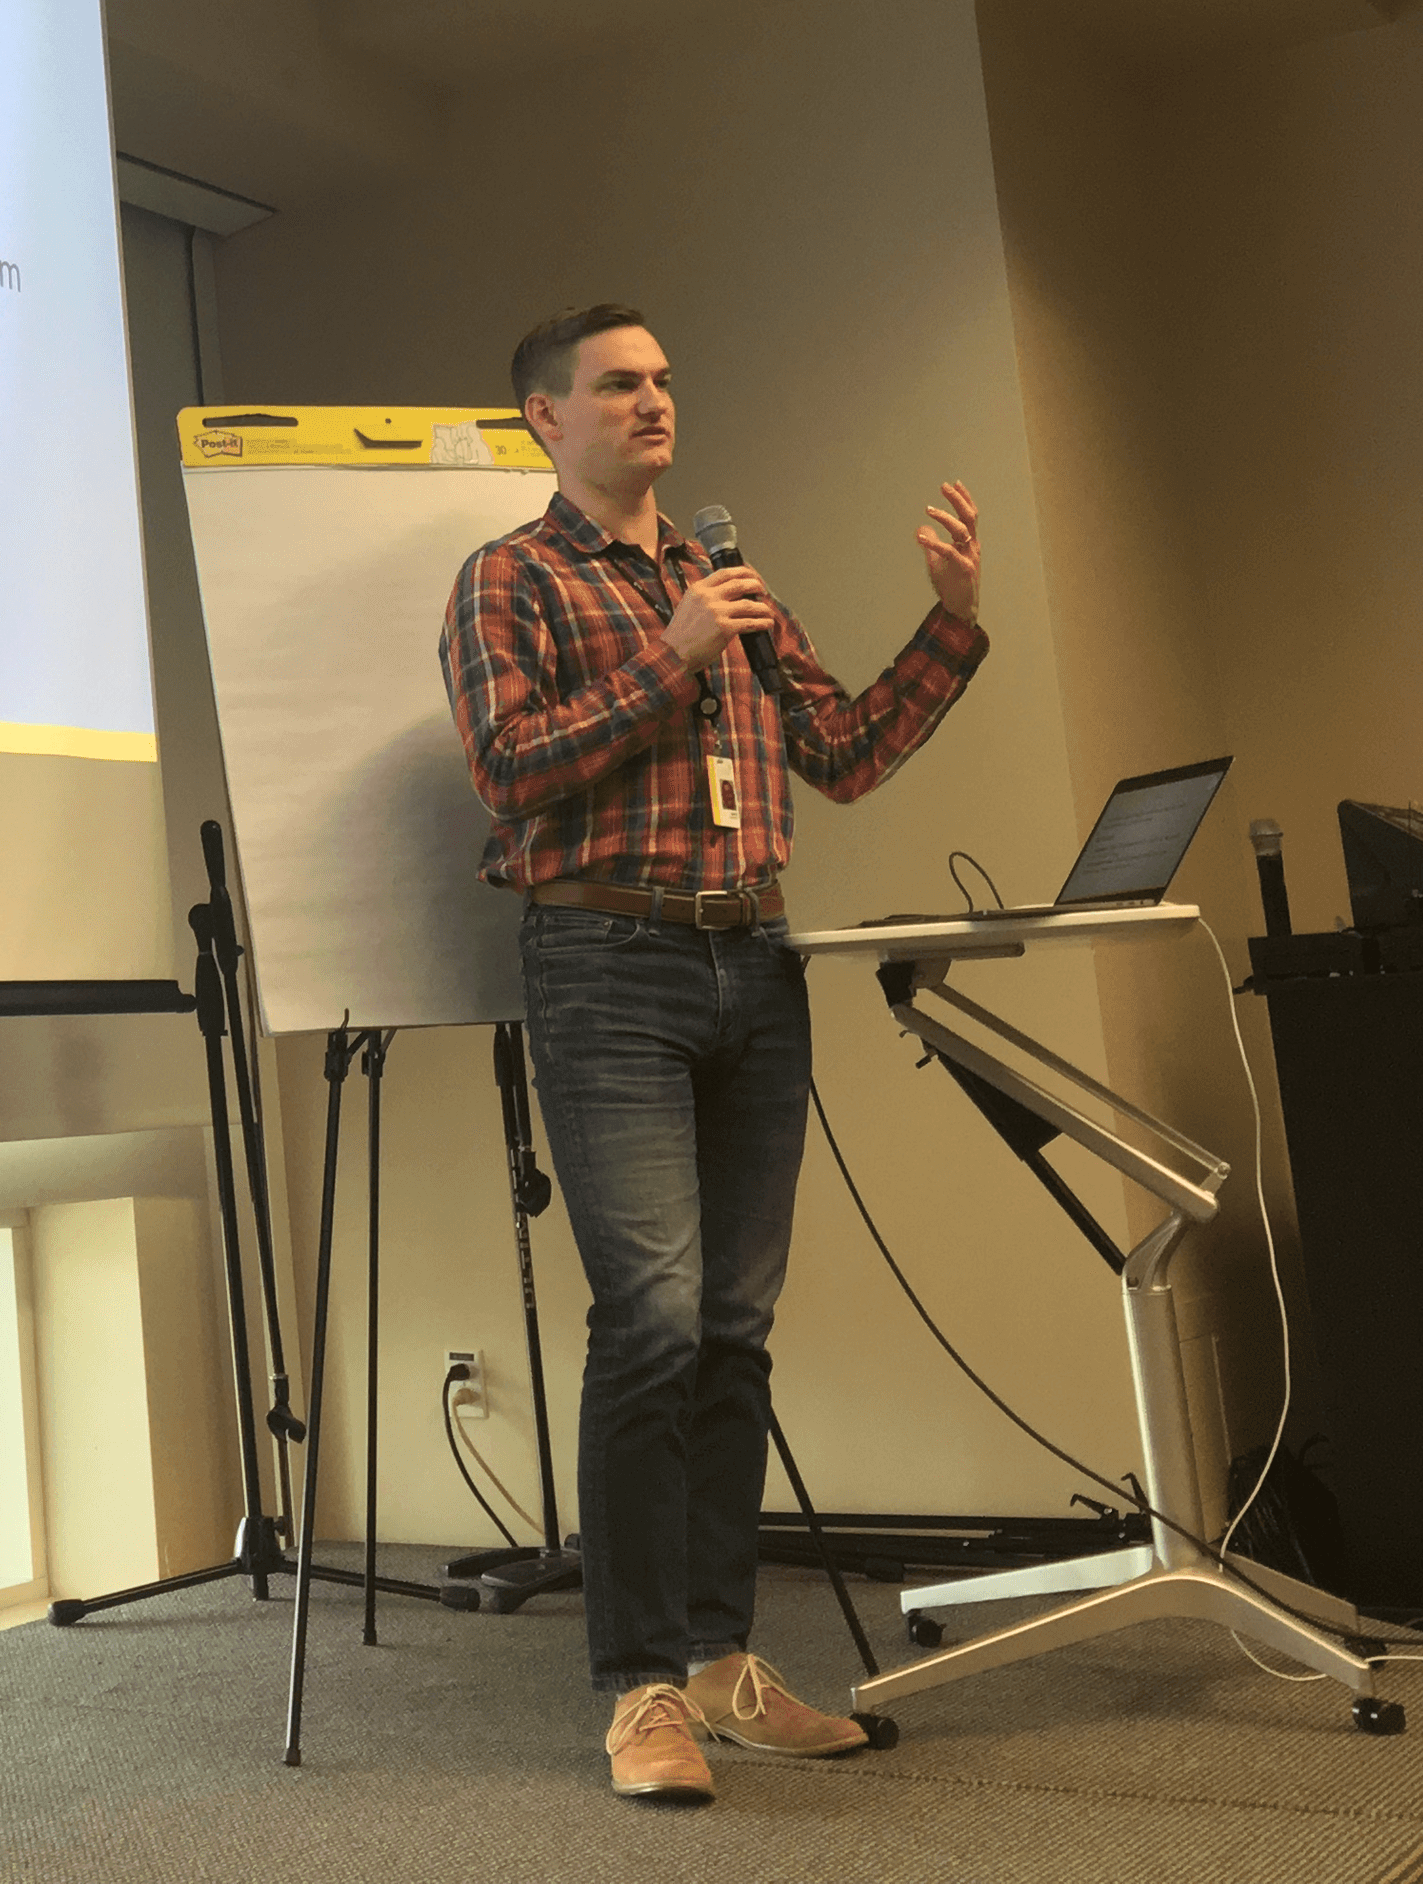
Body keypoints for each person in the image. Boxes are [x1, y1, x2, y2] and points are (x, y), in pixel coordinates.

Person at [439, 303, 986, 1806]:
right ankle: (638, 1693)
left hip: (756, 957)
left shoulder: (722, 578)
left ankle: (720, 1665)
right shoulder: (511, 579)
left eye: (665, 379)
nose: (653, 401)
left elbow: (846, 753)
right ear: (547, 420)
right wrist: (671, 661)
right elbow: (508, 774)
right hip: (605, 961)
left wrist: (948, 620)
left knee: (736, 1323)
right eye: (619, 385)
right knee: (657, 1319)